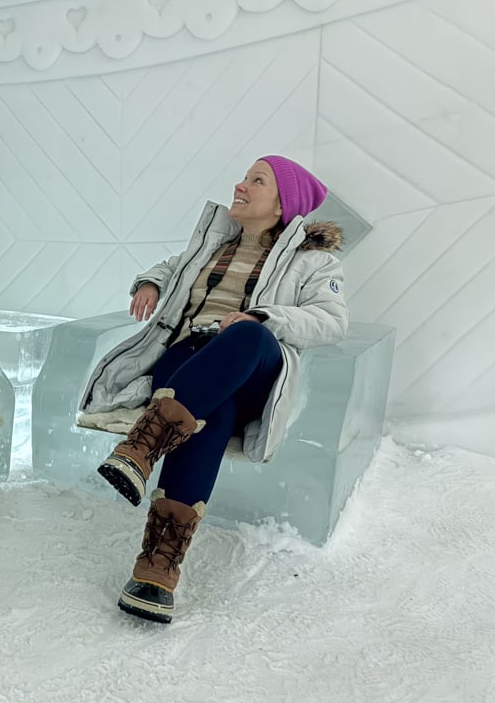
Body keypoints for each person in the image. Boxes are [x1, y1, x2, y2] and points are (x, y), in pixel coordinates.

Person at [79, 155, 348, 624]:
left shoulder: (314, 262)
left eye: (256, 181)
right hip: (190, 365)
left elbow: (331, 321)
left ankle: (142, 448)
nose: (240, 186)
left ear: (285, 204)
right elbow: (172, 266)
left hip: (252, 364)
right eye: (244, 177)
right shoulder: (211, 244)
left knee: (245, 335)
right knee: (211, 414)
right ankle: (156, 571)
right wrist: (148, 281)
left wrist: (266, 316)